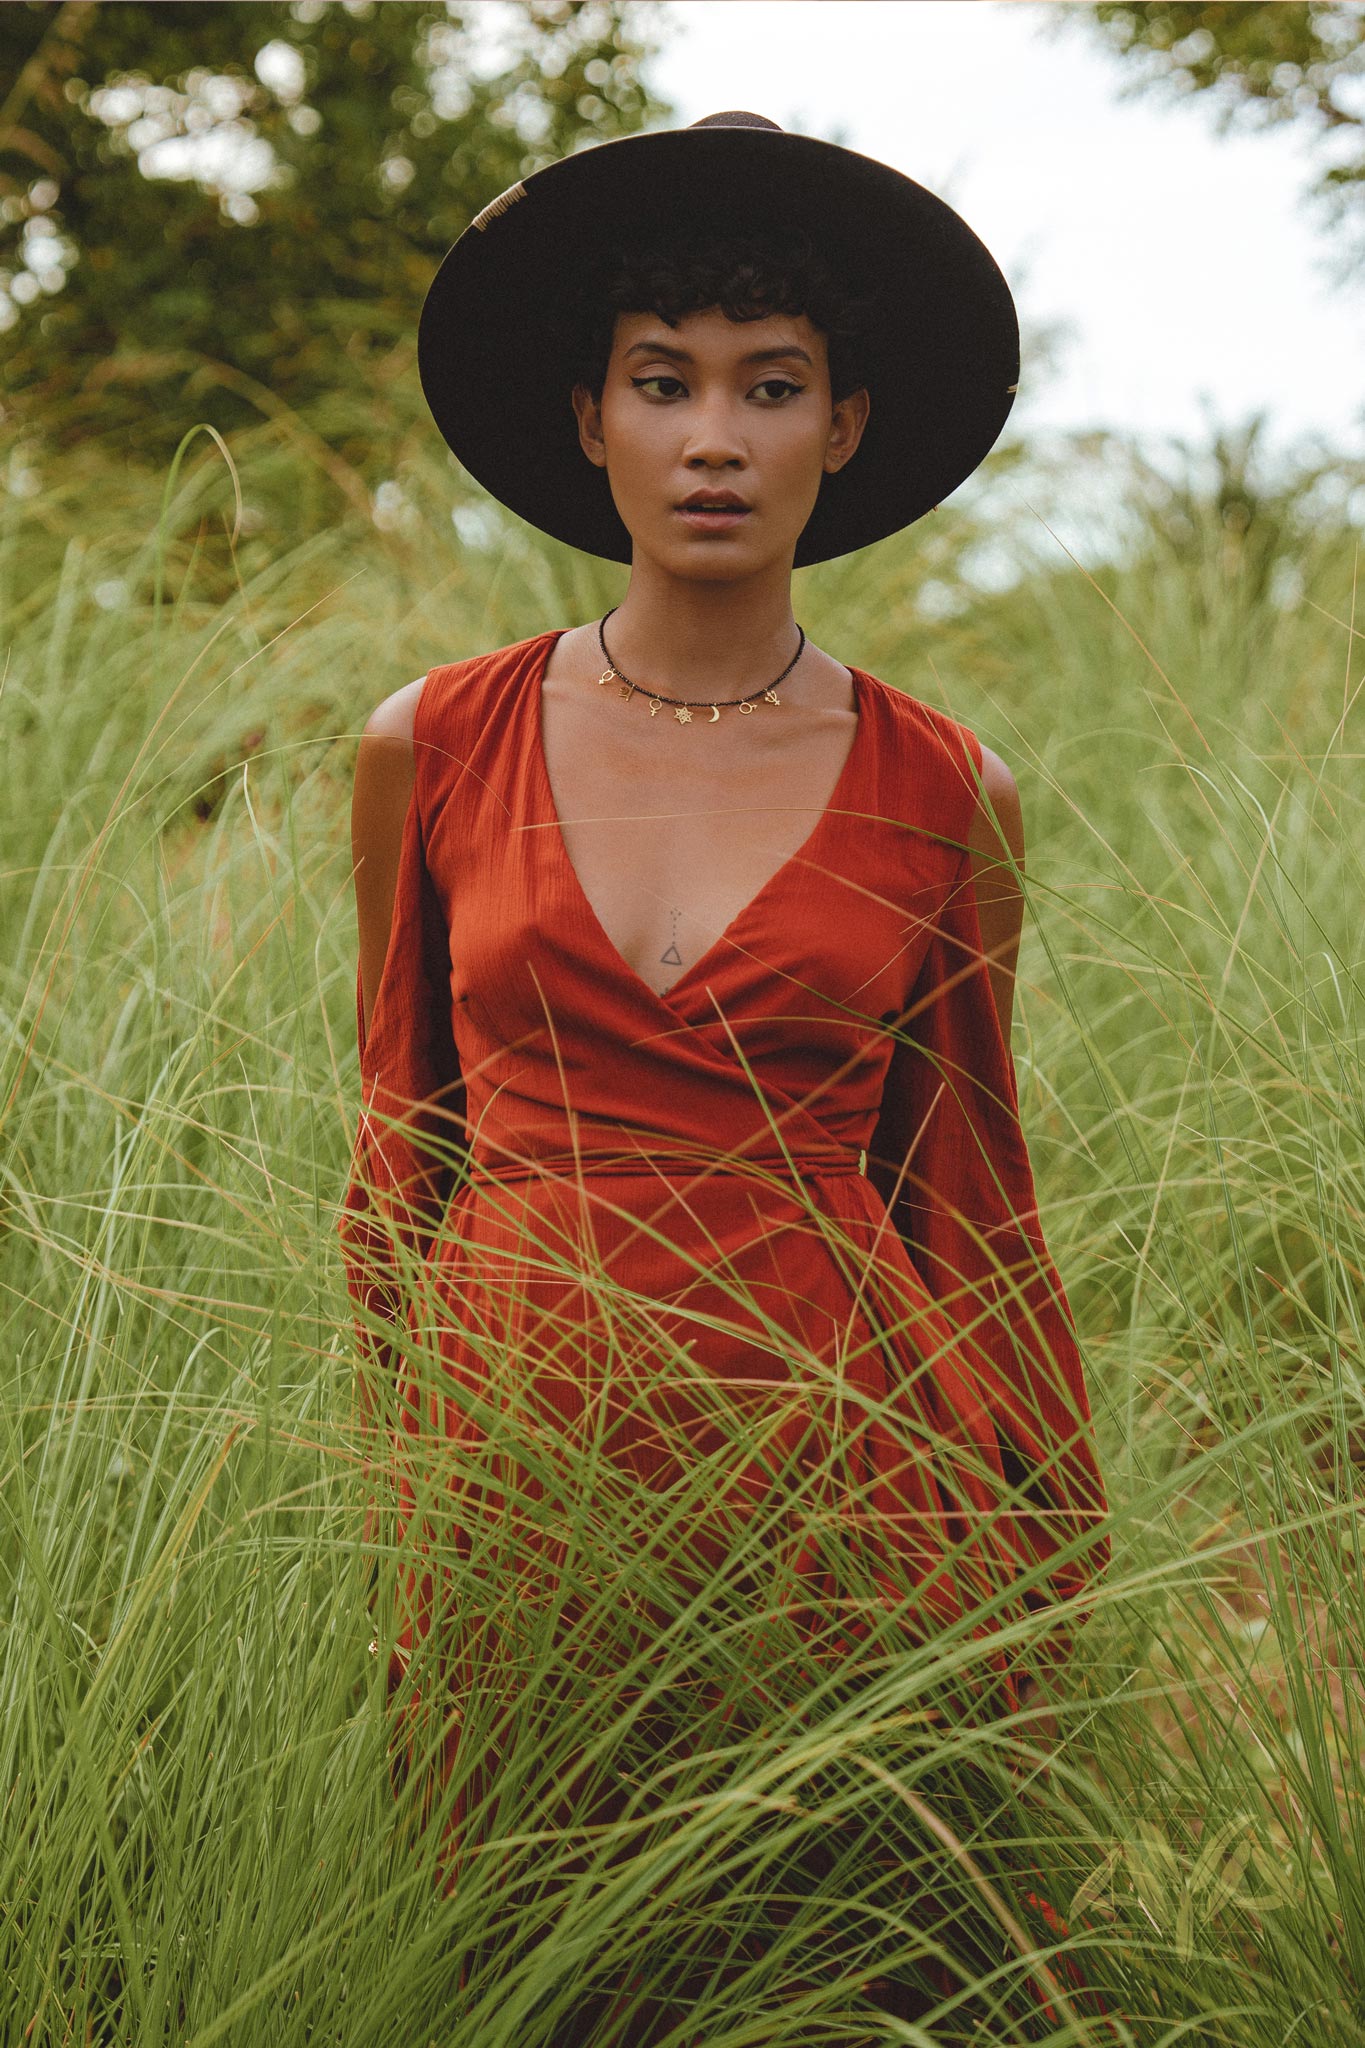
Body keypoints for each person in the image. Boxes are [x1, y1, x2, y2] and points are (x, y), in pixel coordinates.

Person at [339, 111, 1110, 2031]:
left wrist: (1037, 1557)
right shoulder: (429, 741)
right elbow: (395, 1141)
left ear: (842, 428)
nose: (712, 438)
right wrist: (392, 1493)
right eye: (661, 383)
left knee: (831, 1969)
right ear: (587, 417)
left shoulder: (951, 790)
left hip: (836, 1475)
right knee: (523, 1975)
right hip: (517, 1478)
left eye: (770, 389)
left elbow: (970, 1195)